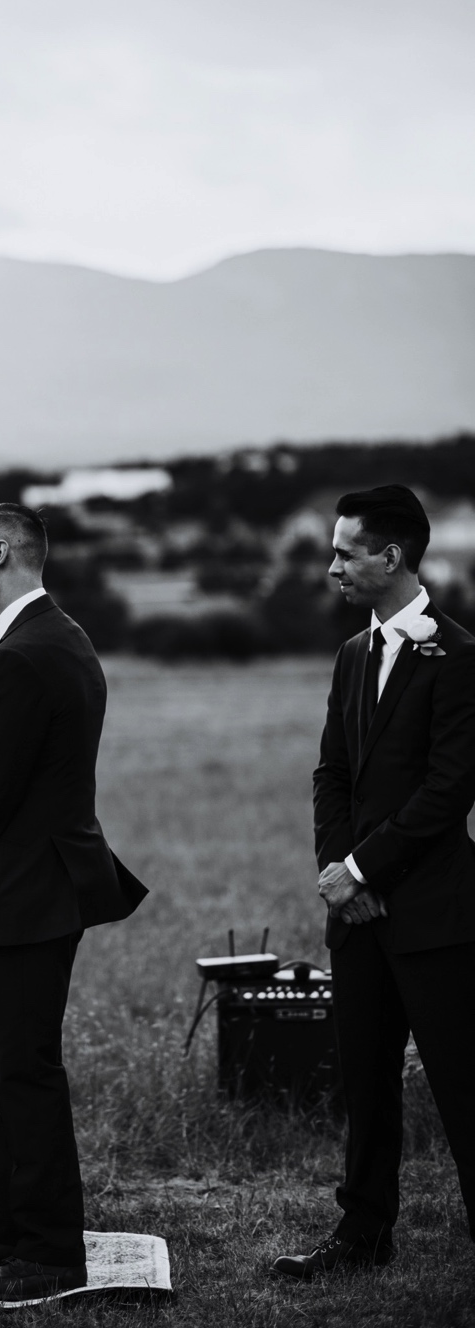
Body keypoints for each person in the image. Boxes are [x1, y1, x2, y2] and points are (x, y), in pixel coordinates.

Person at [0, 502, 148, 1302]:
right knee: (11, 1065)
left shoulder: (22, 655)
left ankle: (50, 1251)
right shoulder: (57, 636)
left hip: (30, 884)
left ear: (1, 553)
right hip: (41, 880)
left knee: (25, 1070)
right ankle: (8, 1230)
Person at [272, 485, 475, 1281]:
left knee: (463, 1085)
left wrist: (364, 868)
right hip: (356, 916)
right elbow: (332, 774)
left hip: (436, 914)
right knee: (365, 1081)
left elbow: (447, 793)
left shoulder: (459, 657)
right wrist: (339, 875)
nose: (332, 569)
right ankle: (362, 1234)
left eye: (345, 553)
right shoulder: (351, 655)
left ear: (391, 556)